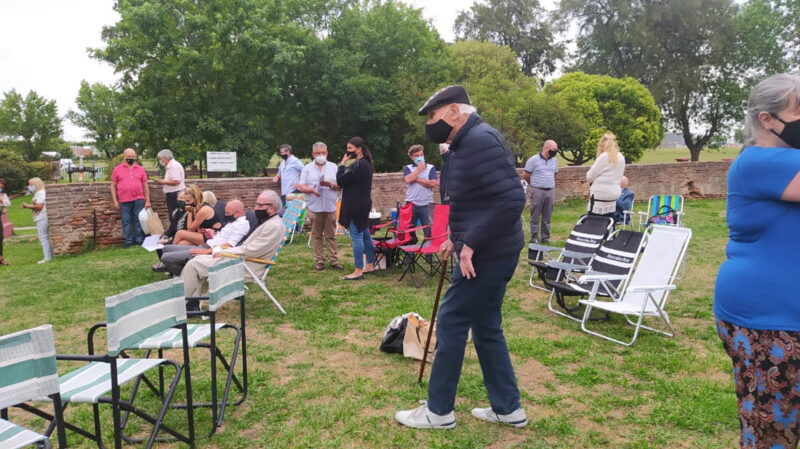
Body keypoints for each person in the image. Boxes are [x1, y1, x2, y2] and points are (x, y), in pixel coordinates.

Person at [396, 85, 527, 429]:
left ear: (454, 111)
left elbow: (512, 200)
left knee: (452, 321)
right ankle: (508, 408)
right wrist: (456, 239)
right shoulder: (467, 143)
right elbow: (473, 199)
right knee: (485, 326)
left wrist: (470, 243)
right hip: (487, 249)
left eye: (433, 116)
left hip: (488, 253)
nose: (430, 124)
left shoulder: (482, 140)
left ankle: (438, 412)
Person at [714, 73, 800, 449]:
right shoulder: (760, 162)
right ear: (766, 119)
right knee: (772, 435)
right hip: (769, 320)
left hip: (779, 314)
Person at [182, 190, 286, 300]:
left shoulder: (273, 226)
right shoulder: (270, 222)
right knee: (197, 260)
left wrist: (223, 252)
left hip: (248, 267)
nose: (255, 208)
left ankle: (182, 303)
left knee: (194, 265)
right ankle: (192, 302)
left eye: (259, 205)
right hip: (243, 261)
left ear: (271, 207)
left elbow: (251, 250)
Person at [159, 199, 251, 278]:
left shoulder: (242, 225)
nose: (225, 215)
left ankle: (184, 277)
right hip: (205, 245)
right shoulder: (233, 222)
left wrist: (206, 251)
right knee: (166, 248)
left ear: (237, 213)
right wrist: (212, 234)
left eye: (228, 213)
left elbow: (230, 245)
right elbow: (223, 238)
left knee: (165, 257)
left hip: (210, 252)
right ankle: (184, 272)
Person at [297, 142, 343, 271]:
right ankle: (319, 260)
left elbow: (340, 185)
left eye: (323, 153)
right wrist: (311, 190)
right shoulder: (307, 168)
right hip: (314, 206)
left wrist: (330, 185)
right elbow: (301, 186)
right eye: (318, 153)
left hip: (330, 206)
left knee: (331, 235)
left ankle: (334, 260)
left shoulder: (334, 167)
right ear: (313, 154)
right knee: (316, 235)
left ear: (327, 153)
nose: (321, 155)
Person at [337, 136, 375, 280]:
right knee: (365, 234)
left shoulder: (360, 165)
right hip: (362, 203)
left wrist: (342, 164)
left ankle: (358, 270)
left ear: (359, 149)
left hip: (356, 205)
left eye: (350, 148)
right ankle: (370, 265)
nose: (348, 151)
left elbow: (341, 180)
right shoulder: (361, 163)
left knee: (357, 236)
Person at [110, 148, 150, 247]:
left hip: (139, 198)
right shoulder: (117, 169)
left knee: (138, 220)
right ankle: (128, 241)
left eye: (133, 156)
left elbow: (145, 185)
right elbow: (113, 186)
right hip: (124, 199)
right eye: (129, 156)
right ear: (124, 157)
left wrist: (147, 200)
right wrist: (115, 201)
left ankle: (139, 240)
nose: (131, 158)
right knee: (126, 221)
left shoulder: (140, 169)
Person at [523, 140, 558, 244]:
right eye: (553, 149)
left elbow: (554, 174)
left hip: (550, 191)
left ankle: (545, 237)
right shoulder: (533, 160)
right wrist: (533, 184)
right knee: (535, 215)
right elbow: (526, 175)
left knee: (547, 216)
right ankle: (534, 237)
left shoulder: (554, 160)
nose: (555, 152)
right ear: (546, 148)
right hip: (537, 191)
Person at [403, 144, 438, 244]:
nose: (420, 157)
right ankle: (410, 251)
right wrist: (419, 169)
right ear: (412, 157)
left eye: (421, 155)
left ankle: (428, 252)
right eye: (417, 155)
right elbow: (407, 179)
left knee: (429, 232)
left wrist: (417, 179)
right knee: (409, 232)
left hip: (427, 204)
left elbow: (433, 184)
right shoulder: (408, 168)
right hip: (411, 204)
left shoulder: (430, 168)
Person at [586, 132, 626, 216]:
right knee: (609, 218)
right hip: (614, 194)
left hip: (600, 194)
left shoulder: (604, 156)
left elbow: (590, 176)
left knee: (594, 219)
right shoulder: (621, 157)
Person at [151, 190, 190, 272]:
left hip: (182, 236)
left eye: (184, 198)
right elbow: (171, 227)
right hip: (173, 234)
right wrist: (165, 236)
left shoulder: (188, 213)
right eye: (180, 198)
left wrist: (168, 240)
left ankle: (170, 265)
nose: (182, 200)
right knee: (159, 242)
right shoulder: (176, 212)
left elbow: (185, 230)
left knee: (166, 244)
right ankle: (164, 263)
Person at [20, 177, 53, 263]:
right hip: (40, 217)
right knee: (44, 237)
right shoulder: (38, 193)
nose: (29, 186)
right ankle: (49, 255)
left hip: (42, 217)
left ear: (36, 185)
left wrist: (27, 206)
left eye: (30, 185)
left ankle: (47, 257)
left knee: (43, 237)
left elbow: (39, 206)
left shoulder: (40, 193)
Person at [153, 149, 185, 217]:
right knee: (173, 214)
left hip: (175, 194)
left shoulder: (173, 166)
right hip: (173, 193)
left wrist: (162, 182)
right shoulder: (171, 166)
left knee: (175, 214)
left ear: (165, 158)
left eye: (161, 158)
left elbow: (176, 181)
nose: (160, 160)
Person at [0, 179, 9, 265]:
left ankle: (1, 257)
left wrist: (2, 201)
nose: (1, 188)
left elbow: (8, 203)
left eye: (2, 187)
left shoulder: (3, 194)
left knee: (0, 236)